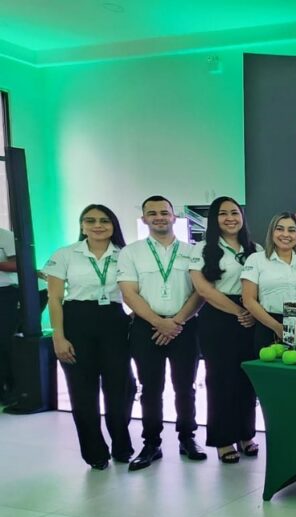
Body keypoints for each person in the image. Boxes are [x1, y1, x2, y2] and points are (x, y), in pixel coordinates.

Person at [117, 195, 205, 471]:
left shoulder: (193, 251)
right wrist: (159, 322)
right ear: (144, 218)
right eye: (152, 213)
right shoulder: (131, 252)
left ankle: (187, 438)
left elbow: (200, 291)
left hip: (185, 325)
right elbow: (129, 293)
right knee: (151, 388)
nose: (159, 217)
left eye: (164, 212)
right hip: (147, 327)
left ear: (174, 217)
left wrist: (176, 322)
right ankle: (151, 443)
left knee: (185, 386)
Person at [44, 205, 134, 469]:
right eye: (90, 220)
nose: (98, 225)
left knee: (122, 387)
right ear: (82, 226)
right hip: (76, 321)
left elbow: (137, 290)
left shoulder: (125, 254)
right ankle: (95, 453)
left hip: (114, 322)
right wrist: (58, 337)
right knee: (83, 392)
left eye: (104, 220)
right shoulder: (65, 254)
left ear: (113, 225)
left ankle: (121, 444)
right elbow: (54, 299)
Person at [189, 197, 261, 464]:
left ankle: (246, 435)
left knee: (247, 380)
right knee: (220, 380)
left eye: (235, 212)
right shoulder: (202, 249)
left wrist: (251, 312)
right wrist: (239, 311)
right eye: (223, 214)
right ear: (214, 219)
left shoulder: (255, 249)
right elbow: (203, 289)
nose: (230, 218)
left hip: (251, 316)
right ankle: (223, 439)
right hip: (218, 318)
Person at [242, 212, 296, 349]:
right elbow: (248, 300)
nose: (286, 234)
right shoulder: (256, 259)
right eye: (280, 229)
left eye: (291, 230)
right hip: (268, 326)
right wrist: (277, 327)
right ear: (271, 233)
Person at [0, 227, 18, 403]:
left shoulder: (5, 236)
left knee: (4, 342)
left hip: (4, 293)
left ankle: (10, 390)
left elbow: (18, 264)